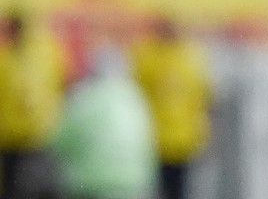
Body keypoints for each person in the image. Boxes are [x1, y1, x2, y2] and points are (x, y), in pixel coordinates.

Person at [50, 42, 157, 199]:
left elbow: (59, 140)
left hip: (93, 184)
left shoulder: (86, 97)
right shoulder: (134, 97)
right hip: (135, 183)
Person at [131, 17, 213, 199]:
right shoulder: (186, 58)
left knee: (173, 188)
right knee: (170, 188)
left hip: (176, 139)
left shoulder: (183, 58)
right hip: (163, 139)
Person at [0, 11, 66, 199]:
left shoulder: (46, 55)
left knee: (36, 190)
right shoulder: (4, 59)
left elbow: (60, 87)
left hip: (38, 140)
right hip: (12, 139)